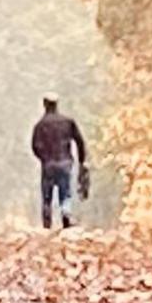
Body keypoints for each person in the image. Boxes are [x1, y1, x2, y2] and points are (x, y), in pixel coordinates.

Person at [28, 98, 90, 229]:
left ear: (44, 104)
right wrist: (81, 161)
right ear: (56, 105)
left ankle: (46, 224)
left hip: (48, 165)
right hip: (65, 163)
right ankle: (66, 217)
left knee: (46, 196)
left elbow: (35, 146)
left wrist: (43, 158)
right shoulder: (68, 122)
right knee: (65, 193)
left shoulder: (40, 125)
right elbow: (80, 142)